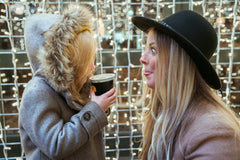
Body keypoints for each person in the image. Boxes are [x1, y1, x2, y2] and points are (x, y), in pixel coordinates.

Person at [132, 10, 240, 160]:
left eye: (154, 50)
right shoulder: (165, 111)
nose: (142, 58)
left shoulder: (215, 133)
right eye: (147, 48)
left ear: (178, 63)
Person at [19, 4, 117, 160]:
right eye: (85, 61)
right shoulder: (36, 92)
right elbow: (56, 145)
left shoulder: (74, 86)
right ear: (68, 63)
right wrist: (94, 110)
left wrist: (99, 105)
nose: (92, 67)